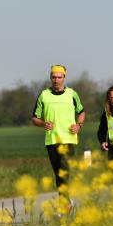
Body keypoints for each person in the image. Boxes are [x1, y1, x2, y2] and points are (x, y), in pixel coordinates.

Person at [32, 64, 85, 192]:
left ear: (64, 78)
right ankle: (66, 202)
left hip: (68, 139)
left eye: (59, 77)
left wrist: (79, 125)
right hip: (51, 140)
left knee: (63, 170)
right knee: (58, 173)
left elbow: (82, 112)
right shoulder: (43, 95)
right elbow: (35, 118)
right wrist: (43, 123)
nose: (56, 80)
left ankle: (64, 204)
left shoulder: (72, 94)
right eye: (54, 77)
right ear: (50, 78)